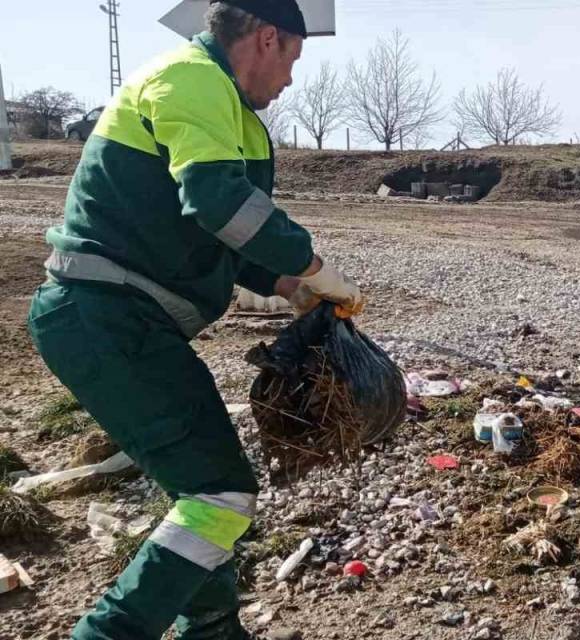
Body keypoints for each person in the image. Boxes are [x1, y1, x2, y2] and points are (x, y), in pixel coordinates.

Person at [26, 2, 362, 637]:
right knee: (219, 492)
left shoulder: (221, 102)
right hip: (103, 317)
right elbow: (219, 203)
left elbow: (209, 232)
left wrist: (287, 283)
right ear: (267, 38)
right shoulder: (191, 77)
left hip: (116, 319)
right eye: (293, 56)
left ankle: (211, 630)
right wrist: (314, 265)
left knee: (204, 489)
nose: (291, 77)